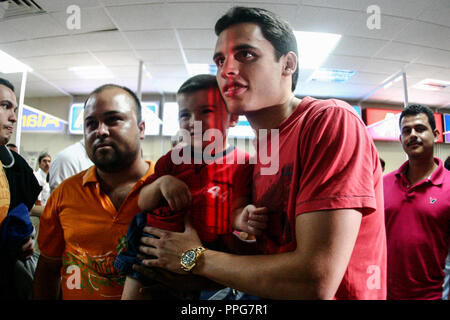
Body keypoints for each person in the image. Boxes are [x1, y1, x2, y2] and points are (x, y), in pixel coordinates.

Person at [134, 6, 386, 300]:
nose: (227, 70)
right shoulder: (262, 150)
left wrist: (195, 258)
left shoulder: (329, 120)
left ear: (287, 64)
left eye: (246, 54)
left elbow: (315, 282)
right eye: (220, 60)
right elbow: (267, 258)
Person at [116, 74, 266, 300]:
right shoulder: (171, 160)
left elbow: (235, 210)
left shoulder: (244, 164)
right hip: (153, 250)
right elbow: (142, 202)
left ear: (232, 118)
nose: (193, 121)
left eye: (206, 111)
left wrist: (242, 218)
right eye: (185, 114)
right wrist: (161, 184)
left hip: (206, 258)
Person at [33, 84, 155, 300]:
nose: (100, 131)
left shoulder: (168, 190)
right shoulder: (65, 194)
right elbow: (48, 268)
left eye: (113, 119)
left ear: (141, 128)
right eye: (90, 123)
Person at [383, 104, 450, 300]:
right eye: (406, 131)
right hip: (384, 294)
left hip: (432, 296)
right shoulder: (381, 185)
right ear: (400, 139)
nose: (413, 135)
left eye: (420, 129)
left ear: (435, 134)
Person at [0, 78, 41, 299]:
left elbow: (21, 211)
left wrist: (23, 238)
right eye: (4, 106)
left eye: (14, 109)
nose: (14, 117)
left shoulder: (16, 166)